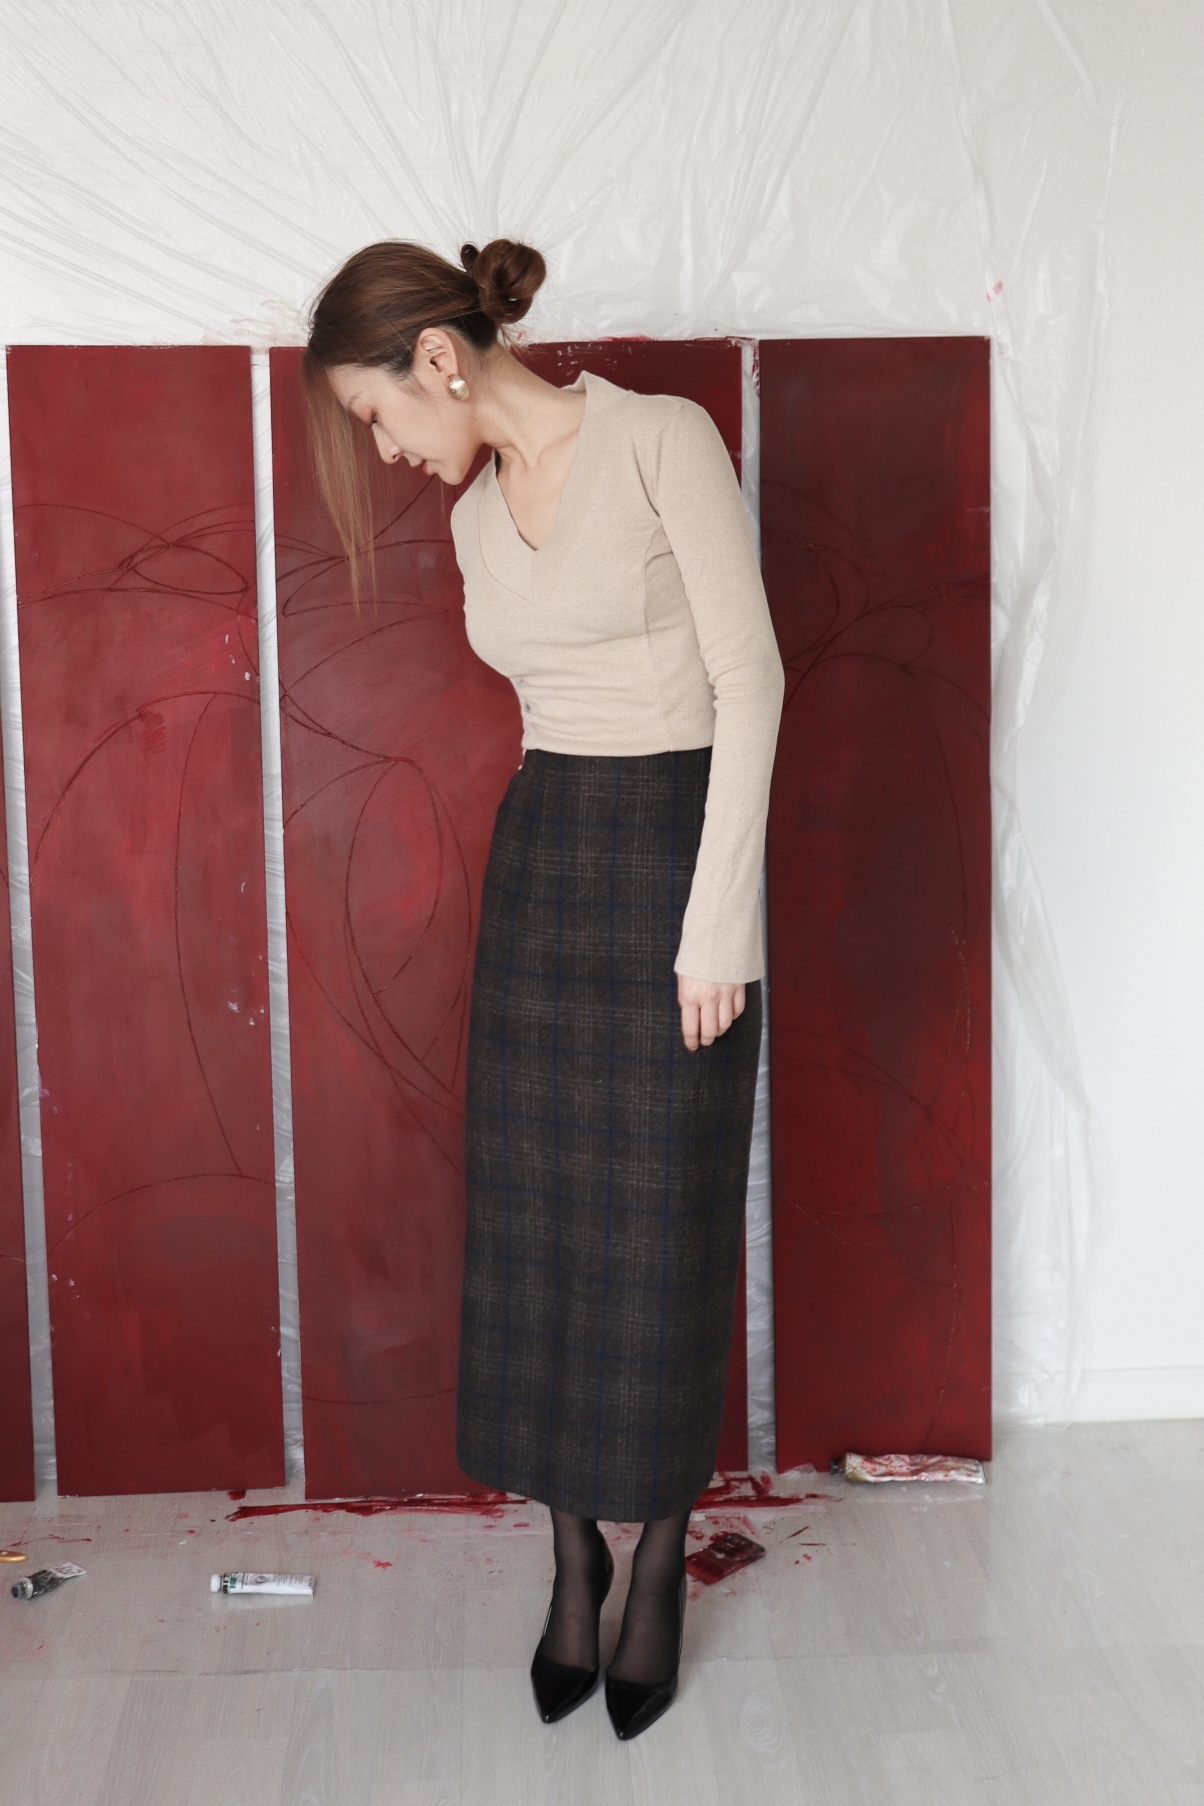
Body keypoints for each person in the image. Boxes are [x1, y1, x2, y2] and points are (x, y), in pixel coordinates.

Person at [302, 238, 784, 1740]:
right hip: (546, 863)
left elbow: (752, 680)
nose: (386, 450)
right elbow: (543, 716)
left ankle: (657, 1563)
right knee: (539, 1229)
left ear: (440, 360)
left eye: (378, 413)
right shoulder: (473, 522)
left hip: (673, 863)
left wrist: (719, 924)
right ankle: (572, 1553)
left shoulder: (661, 441)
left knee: (660, 1229)